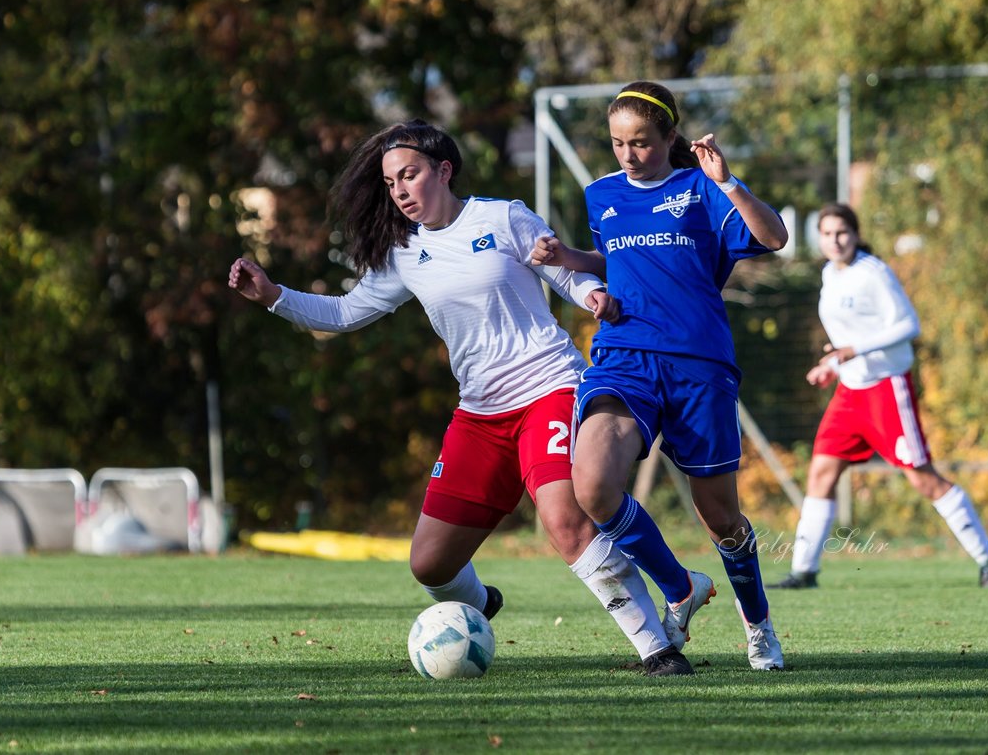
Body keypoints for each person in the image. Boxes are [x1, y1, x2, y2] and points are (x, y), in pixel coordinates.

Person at [228, 119, 702, 675]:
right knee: (430, 565)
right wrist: (272, 297)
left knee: (564, 520)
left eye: (410, 175)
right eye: (390, 183)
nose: (401, 191)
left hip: (550, 387)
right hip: (480, 414)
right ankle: (480, 606)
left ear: (443, 170)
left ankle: (657, 647)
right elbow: (343, 313)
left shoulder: (502, 216)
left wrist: (594, 293)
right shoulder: (405, 253)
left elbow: (562, 271)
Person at [532, 81, 788, 670]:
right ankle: (680, 587)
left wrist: (727, 181)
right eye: (618, 143)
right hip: (624, 357)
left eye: (642, 143)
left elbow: (773, 237)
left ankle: (759, 627)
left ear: (670, 137)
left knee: (721, 517)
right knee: (592, 487)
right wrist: (570, 260)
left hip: (699, 364)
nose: (628, 154)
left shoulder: (702, 187)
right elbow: (620, 259)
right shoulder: (601, 194)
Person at [770, 203, 988, 590]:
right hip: (850, 391)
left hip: (886, 388)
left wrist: (854, 350)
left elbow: (907, 325)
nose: (835, 240)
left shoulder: (874, 273)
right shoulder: (830, 274)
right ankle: (803, 571)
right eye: (828, 233)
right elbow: (847, 338)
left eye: (842, 232)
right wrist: (832, 366)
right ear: (820, 238)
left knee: (922, 479)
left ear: (856, 233)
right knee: (821, 472)